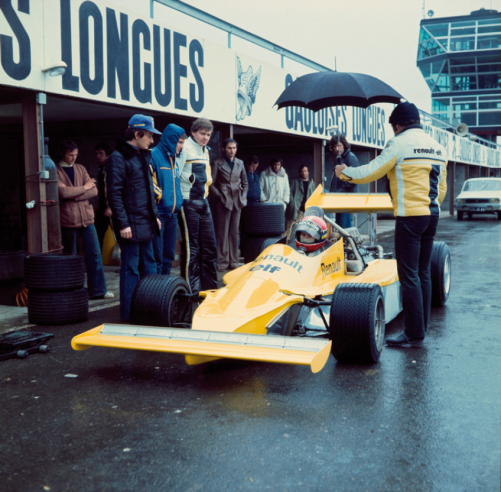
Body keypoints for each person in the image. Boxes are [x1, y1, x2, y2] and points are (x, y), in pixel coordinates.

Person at [335, 102, 447, 347]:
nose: (393, 131)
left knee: (408, 276)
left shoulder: (399, 144)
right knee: (423, 272)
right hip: (432, 215)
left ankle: (413, 334)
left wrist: (345, 172)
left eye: (393, 127)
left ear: (399, 125)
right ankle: (421, 330)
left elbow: (371, 171)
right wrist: (431, 207)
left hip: (409, 218)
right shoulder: (438, 147)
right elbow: (443, 188)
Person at [106, 115, 162, 321]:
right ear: (137, 134)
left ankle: (150, 307)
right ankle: (129, 314)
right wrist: (123, 224)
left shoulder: (142, 154)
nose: (152, 141)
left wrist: (155, 216)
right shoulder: (118, 158)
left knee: (149, 265)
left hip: (146, 221)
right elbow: (114, 194)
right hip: (129, 224)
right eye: (149, 136)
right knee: (130, 268)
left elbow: (149, 190)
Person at [56, 140, 114, 300]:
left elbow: (94, 191)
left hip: (87, 219)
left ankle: (99, 291)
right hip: (68, 219)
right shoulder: (56, 170)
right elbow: (62, 193)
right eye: (70, 155)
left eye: (76, 155)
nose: (74, 158)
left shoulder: (80, 168)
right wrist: (83, 188)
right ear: (63, 153)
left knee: (95, 254)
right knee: (71, 257)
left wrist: (74, 195)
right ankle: (72, 290)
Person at [177, 118, 218, 294]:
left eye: (208, 135)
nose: (205, 137)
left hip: (203, 201)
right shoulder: (184, 147)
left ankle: (209, 289)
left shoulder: (205, 150)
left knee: (210, 247)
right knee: (191, 248)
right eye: (202, 134)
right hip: (187, 202)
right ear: (193, 132)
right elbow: (175, 175)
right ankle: (190, 290)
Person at [150, 124, 186, 275]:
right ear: (172, 140)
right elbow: (148, 183)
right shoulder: (154, 155)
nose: (181, 146)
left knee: (169, 255)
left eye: (183, 143)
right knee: (157, 256)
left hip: (173, 215)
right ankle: (154, 292)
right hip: (159, 214)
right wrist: (161, 196)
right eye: (180, 142)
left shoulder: (174, 159)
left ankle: (164, 290)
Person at [210, 138, 248, 271]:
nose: (232, 151)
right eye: (229, 148)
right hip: (223, 201)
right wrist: (220, 197)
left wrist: (243, 198)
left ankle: (234, 261)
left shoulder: (240, 163)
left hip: (237, 200)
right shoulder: (217, 163)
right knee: (222, 232)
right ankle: (222, 262)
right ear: (223, 149)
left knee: (234, 232)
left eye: (234, 148)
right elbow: (211, 184)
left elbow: (245, 183)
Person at [329, 133, 360, 229]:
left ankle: (347, 243)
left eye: (339, 145)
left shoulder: (350, 158)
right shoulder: (339, 159)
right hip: (340, 198)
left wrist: (339, 193)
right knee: (340, 228)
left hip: (346, 199)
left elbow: (353, 180)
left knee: (344, 229)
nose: (337, 149)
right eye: (335, 146)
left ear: (344, 145)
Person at [94, 142, 113, 250]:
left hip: (112, 206)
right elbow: (102, 189)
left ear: (107, 154)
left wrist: (111, 206)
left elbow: (114, 188)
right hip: (102, 206)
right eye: (96, 153)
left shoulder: (112, 167)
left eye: (101, 153)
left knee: (119, 235)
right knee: (97, 234)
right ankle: (96, 265)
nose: (98, 156)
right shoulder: (100, 168)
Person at [287, 164, 316, 234]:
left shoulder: (312, 183)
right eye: (302, 171)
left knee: (303, 230)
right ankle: (287, 242)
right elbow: (289, 193)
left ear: (308, 172)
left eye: (305, 171)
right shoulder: (295, 182)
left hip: (307, 211)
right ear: (300, 172)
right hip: (296, 209)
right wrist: (292, 204)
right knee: (290, 228)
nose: (304, 173)